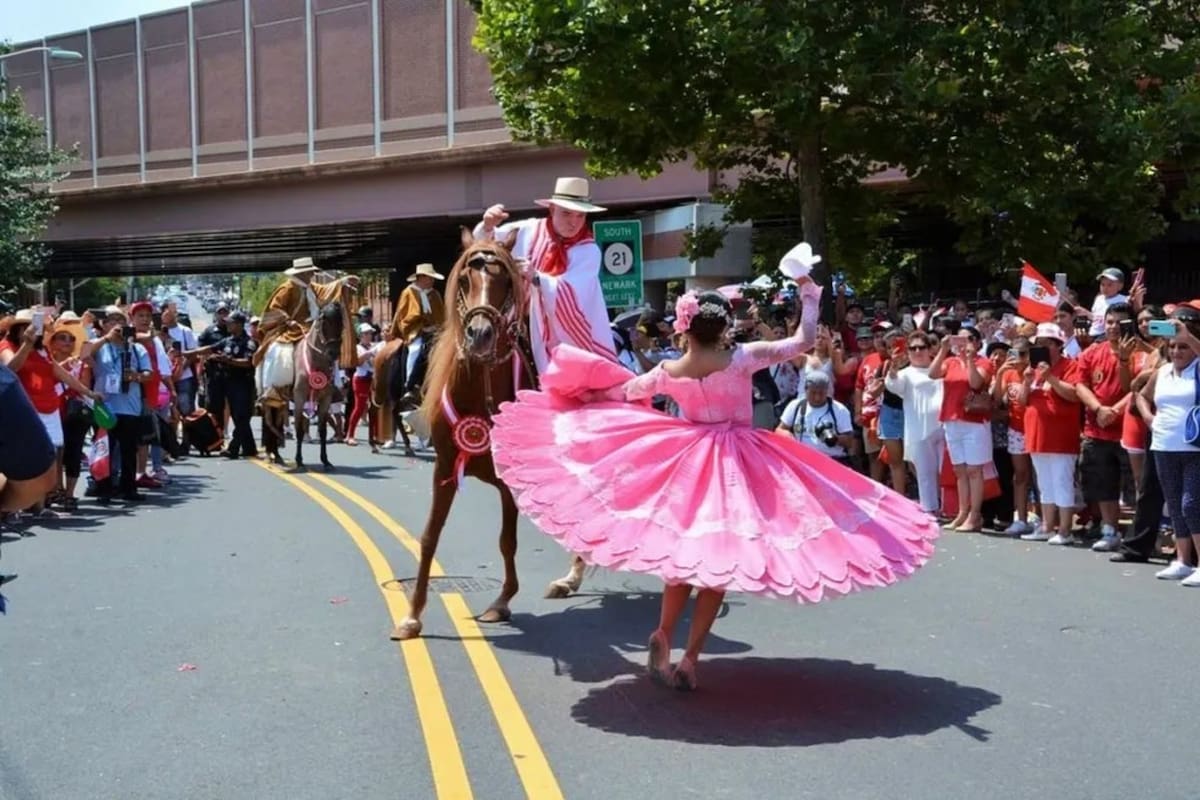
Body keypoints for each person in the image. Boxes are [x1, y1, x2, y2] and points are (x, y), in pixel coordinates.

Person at [490, 251, 938, 691]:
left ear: (684, 327)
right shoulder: (742, 358)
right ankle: (689, 658)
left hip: (687, 458)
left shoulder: (669, 369)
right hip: (738, 461)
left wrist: (584, 401)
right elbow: (803, 341)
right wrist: (807, 288)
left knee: (682, 556)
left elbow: (626, 392)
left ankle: (664, 631)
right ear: (723, 325)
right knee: (719, 566)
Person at [473, 177, 616, 375]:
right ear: (552, 210)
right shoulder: (529, 229)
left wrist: (537, 278)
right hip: (520, 322)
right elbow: (485, 245)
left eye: (580, 216)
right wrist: (487, 226)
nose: (573, 222)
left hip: (566, 333)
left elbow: (575, 294)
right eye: (566, 214)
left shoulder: (588, 250)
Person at [255, 257, 359, 371]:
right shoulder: (287, 288)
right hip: (292, 329)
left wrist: (343, 281)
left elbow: (326, 290)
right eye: (309, 272)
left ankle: (338, 378)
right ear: (301, 273)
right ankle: (279, 384)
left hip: (313, 327)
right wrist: (288, 321)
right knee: (281, 351)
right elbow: (275, 307)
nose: (312, 275)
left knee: (331, 344)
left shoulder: (311, 287)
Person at [388, 263, 446, 408]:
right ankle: (410, 385)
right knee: (415, 350)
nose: (432, 281)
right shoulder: (408, 293)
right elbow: (404, 317)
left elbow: (441, 315)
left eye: (433, 278)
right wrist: (422, 328)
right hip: (416, 332)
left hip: (436, 332)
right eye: (430, 278)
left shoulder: (435, 294)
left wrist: (438, 327)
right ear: (421, 277)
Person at [211, 311, 258, 460]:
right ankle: (250, 448)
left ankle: (233, 448)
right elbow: (209, 349)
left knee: (243, 416)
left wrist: (229, 361)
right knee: (238, 417)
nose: (227, 324)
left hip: (243, 383)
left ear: (238, 324)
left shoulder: (249, 342)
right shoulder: (227, 341)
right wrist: (189, 353)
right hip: (229, 383)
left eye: (230, 322)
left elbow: (249, 362)